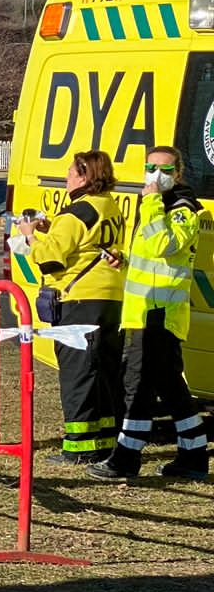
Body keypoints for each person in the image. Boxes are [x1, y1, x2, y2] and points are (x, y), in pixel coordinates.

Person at [89, 145, 205, 480]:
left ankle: (126, 456)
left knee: (137, 385)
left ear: (178, 174)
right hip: (144, 312)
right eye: (150, 168)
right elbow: (151, 261)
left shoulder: (183, 208)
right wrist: (121, 259)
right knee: (170, 386)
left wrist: (152, 200)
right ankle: (194, 455)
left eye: (165, 170)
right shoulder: (155, 207)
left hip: (160, 313)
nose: (156, 176)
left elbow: (164, 246)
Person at [17, 150, 124, 464]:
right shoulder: (110, 207)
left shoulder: (76, 211)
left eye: (70, 172)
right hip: (109, 298)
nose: (66, 177)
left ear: (84, 176)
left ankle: (78, 446)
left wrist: (31, 236)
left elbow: (52, 258)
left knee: (78, 373)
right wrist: (54, 230)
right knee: (102, 372)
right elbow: (89, 246)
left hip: (78, 298)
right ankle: (104, 441)